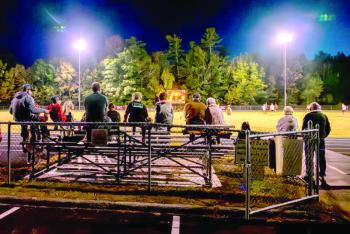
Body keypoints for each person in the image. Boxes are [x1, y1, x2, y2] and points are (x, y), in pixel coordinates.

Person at [302, 102, 331, 189]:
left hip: (309, 140)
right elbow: (328, 128)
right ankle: (322, 176)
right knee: (321, 158)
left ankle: (310, 176)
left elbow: (303, 129)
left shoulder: (307, 116)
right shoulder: (324, 116)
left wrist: (305, 138)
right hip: (320, 140)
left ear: (311, 109)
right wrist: (323, 136)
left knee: (309, 157)